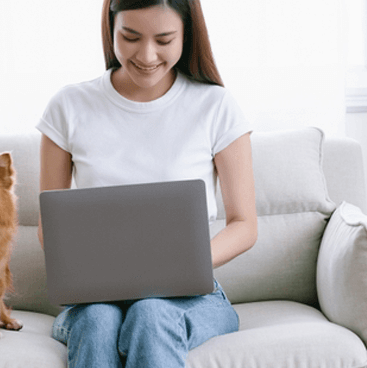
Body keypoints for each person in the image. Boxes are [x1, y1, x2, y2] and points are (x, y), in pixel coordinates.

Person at [36, 0, 257, 367]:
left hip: (192, 298)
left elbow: (244, 225)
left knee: (151, 313)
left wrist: (182, 266)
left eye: (164, 39)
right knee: (98, 319)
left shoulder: (217, 106)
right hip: (96, 300)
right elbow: (52, 229)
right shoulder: (68, 106)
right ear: (111, 30)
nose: (147, 55)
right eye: (131, 37)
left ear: (187, 34)